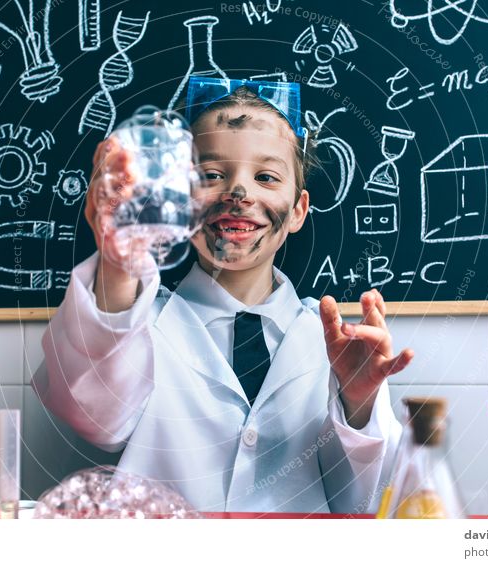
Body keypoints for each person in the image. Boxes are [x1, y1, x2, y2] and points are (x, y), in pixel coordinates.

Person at [33, 77, 414, 513]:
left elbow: (366, 502)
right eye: (211, 175)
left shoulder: (336, 346)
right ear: (179, 199)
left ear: (298, 210)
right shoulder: (137, 326)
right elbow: (92, 416)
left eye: (266, 177)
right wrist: (119, 263)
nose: (239, 194)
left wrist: (359, 403)